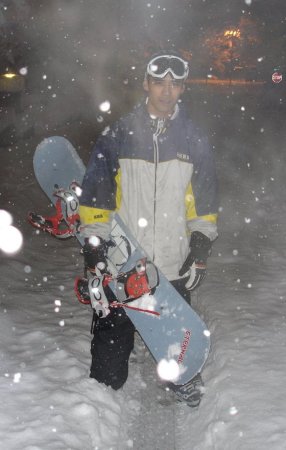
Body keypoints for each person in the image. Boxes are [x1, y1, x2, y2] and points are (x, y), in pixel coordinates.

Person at [78, 51, 218, 405]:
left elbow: (203, 201)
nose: (166, 91)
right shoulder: (119, 134)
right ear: (146, 83)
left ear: (183, 88)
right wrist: (95, 243)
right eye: (159, 82)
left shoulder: (194, 140)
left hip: (171, 257)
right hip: (126, 257)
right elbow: (97, 196)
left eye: (174, 84)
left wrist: (200, 245)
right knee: (112, 341)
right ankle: (103, 400)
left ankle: (180, 376)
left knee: (173, 330)